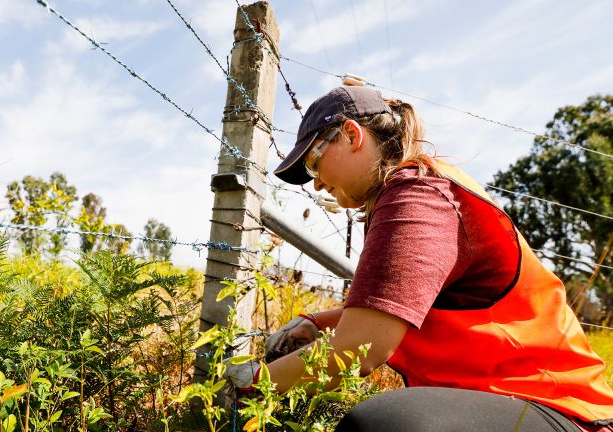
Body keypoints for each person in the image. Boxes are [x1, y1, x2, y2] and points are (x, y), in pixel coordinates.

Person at [225, 83, 613, 431]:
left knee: (383, 424)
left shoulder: (419, 196)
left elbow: (362, 347)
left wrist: (249, 386)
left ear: (350, 135)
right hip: (503, 398)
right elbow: (400, 309)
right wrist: (316, 322)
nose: (318, 182)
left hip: (559, 408)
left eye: (313, 163)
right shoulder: (415, 190)